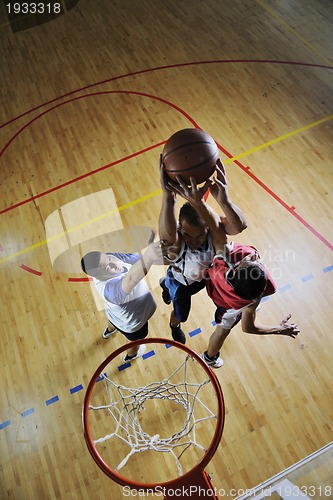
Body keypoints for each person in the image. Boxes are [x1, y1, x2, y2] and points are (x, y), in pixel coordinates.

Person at [169, 175, 300, 368]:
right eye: (257, 261)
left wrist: (199, 200)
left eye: (252, 261)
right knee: (222, 329)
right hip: (228, 305)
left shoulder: (223, 261)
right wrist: (278, 329)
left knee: (216, 329)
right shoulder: (254, 299)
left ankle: (209, 356)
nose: (255, 257)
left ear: (236, 268)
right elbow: (249, 328)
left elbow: (213, 223)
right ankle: (210, 357)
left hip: (213, 288)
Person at [159, 157, 247, 344]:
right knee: (181, 314)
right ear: (180, 230)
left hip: (204, 278)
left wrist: (224, 200)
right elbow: (167, 239)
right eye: (187, 235)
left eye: (198, 236)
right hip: (182, 283)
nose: (193, 241)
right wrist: (168, 199)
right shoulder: (177, 243)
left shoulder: (214, 232)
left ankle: (164, 284)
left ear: (207, 228)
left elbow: (240, 226)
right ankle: (174, 324)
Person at [81, 232, 163, 363]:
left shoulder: (111, 257)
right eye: (108, 267)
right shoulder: (110, 290)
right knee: (135, 342)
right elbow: (131, 278)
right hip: (133, 325)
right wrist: (150, 254)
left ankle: (109, 331)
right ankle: (131, 355)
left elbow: (138, 260)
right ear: (98, 276)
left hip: (114, 315)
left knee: (113, 322)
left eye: (108, 259)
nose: (113, 262)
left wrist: (158, 255)